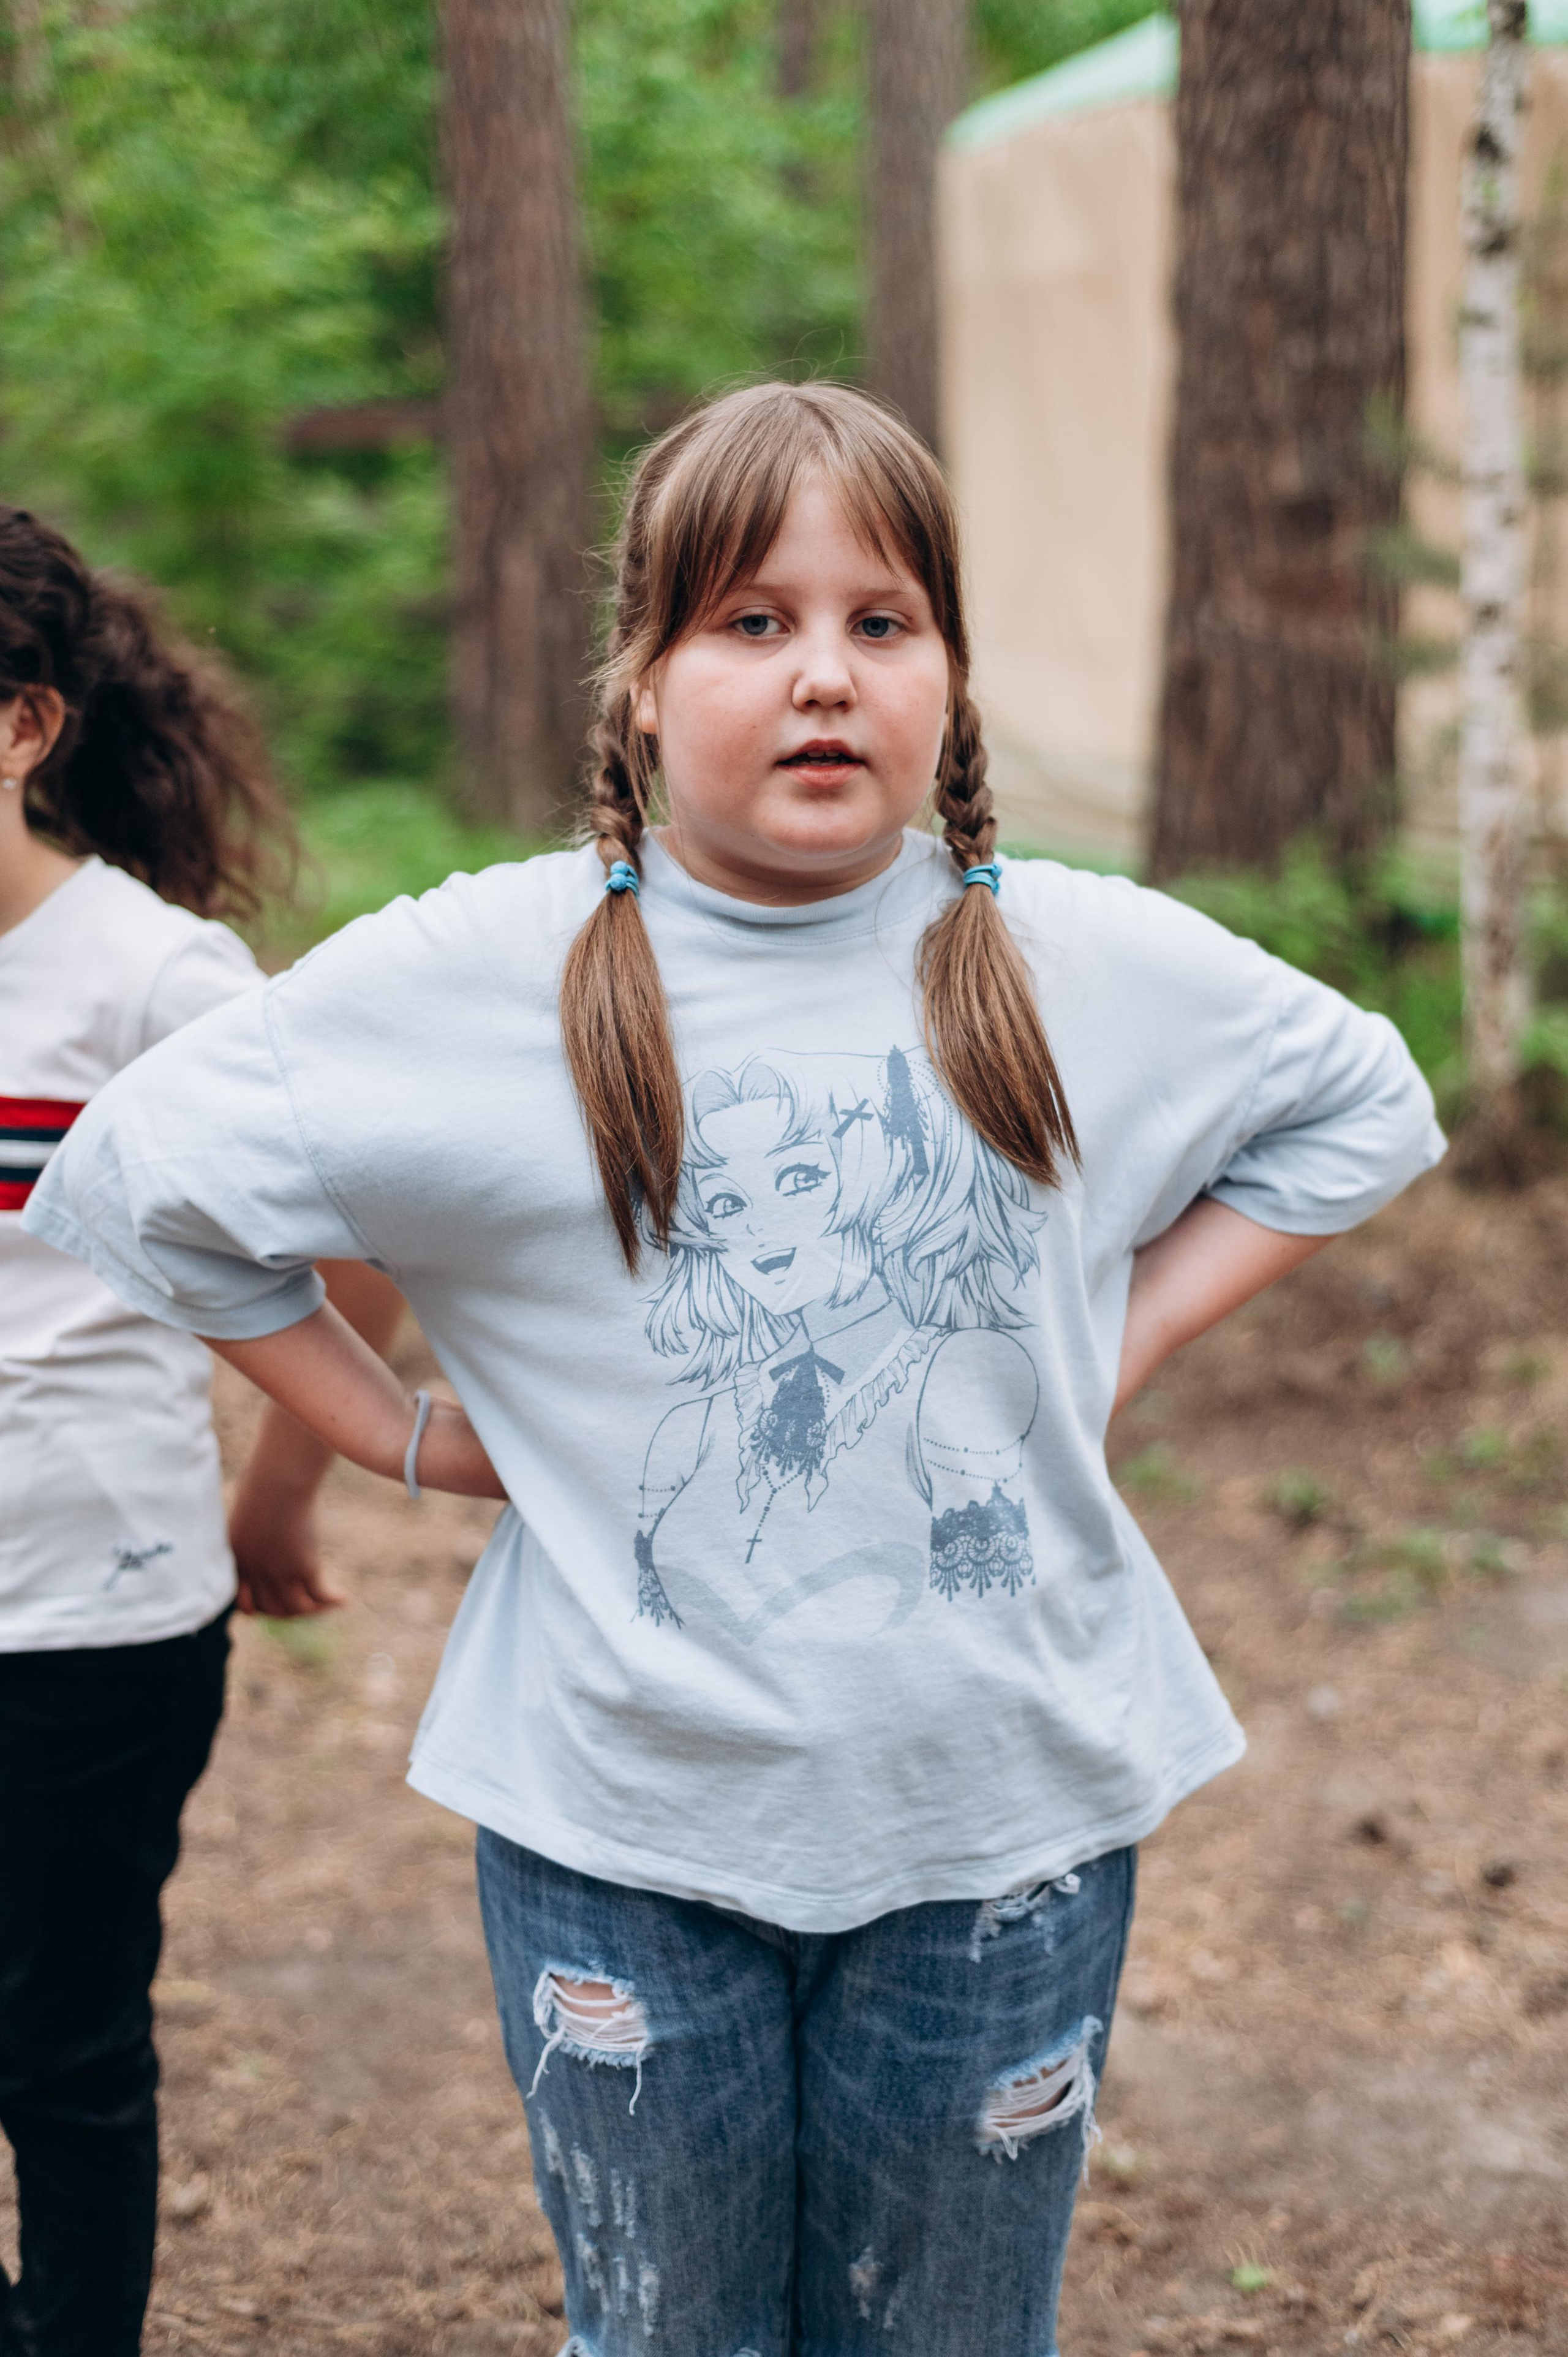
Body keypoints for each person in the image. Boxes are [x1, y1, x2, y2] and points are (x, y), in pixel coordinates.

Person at [27, 385, 1444, 2356]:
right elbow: (139, 1185)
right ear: (639, 681)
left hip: (999, 1837)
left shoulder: (1076, 964)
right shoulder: (481, 979)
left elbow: (1361, 1107)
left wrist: (1104, 1348)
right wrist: (404, 1438)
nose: (823, 678)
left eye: (884, 624)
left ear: (949, 679)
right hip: (621, 1830)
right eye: (752, 623)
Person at [0, 507, 402, 2357]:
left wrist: (283, 1494)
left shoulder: (157, 984)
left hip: (85, 1623)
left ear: (24, 730)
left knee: (59, 2046)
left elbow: (354, 1233)